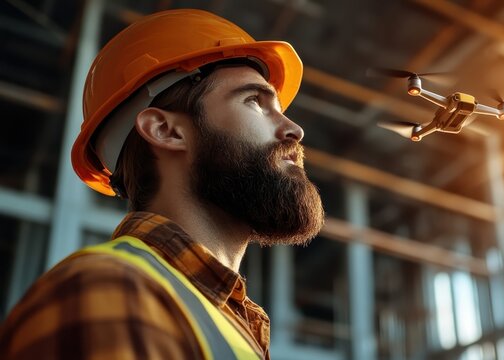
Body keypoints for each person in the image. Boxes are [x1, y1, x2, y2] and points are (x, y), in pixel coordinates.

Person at [0, 8, 324, 360]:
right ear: (165, 131)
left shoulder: (226, 320)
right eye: (254, 102)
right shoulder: (111, 294)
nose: (294, 129)